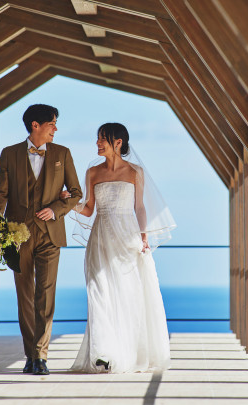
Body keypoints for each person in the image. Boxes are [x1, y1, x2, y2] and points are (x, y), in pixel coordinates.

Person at [67, 123, 174, 373]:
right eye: (97, 139)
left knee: (128, 295)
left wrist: (144, 236)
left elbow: (140, 207)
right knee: (97, 290)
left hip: (127, 237)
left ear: (118, 142)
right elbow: (88, 209)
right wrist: (68, 204)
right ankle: (103, 353)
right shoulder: (92, 172)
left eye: (102, 139)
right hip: (100, 237)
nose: (97, 143)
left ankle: (126, 352)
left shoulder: (135, 171)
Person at [0, 104, 82, 376]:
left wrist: (56, 208)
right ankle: (30, 354)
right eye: (52, 123)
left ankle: (41, 355)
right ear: (35, 125)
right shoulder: (9, 154)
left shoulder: (62, 154)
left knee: (46, 293)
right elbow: (0, 194)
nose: (56, 128)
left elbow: (76, 193)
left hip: (51, 234)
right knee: (25, 296)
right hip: (17, 237)